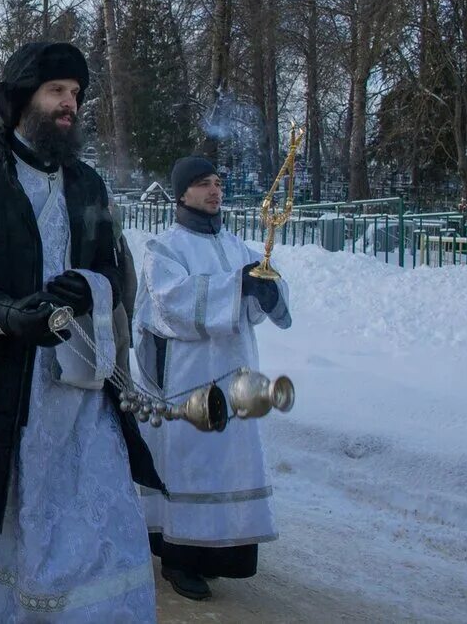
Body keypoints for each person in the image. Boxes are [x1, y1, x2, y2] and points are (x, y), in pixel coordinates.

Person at [0, 42, 163, 622]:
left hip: (79, 402)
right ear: (22, 99)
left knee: (86, 541)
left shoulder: (90, 186)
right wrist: (4, 313)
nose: (69, 104)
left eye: (75, 93)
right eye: (56, 92)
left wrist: (91, 291)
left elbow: (119, 280)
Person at [134, 156, 292, 600]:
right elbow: (171, 303)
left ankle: (223, 553)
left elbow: (263, 300)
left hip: (237, 370)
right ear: (181, 193)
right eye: (203, 184)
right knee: (192, 463)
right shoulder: (163, 248)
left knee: (230, 461)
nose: (214, 191)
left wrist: (266, 288)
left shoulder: (239, 246)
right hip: (188, 376)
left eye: (217, 183)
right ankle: (180, 559)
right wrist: (234, 286)